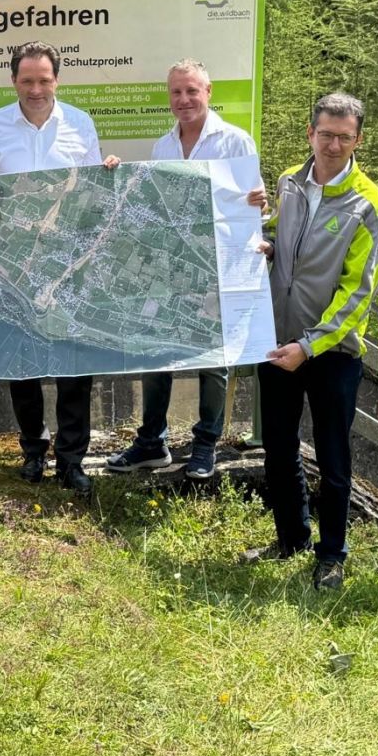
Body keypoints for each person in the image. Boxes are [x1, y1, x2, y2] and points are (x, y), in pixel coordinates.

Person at [0, 40, 118, 496]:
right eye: (26, 80)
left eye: (44, 80)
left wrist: (109, 173)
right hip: (16, 266)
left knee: (74, 366)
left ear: (56, 80)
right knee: (20, 362)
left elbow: (93, 195)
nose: (35, 89)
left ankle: (71, 460)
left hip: (68, 267)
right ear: (13, 81)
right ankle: (32, 451)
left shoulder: (80, 124)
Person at [255, 92, 378, 590]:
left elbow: (359, 293)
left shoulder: (370, 204)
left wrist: (309, 346)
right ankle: (290, 538)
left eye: (344, 137)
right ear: (310, 133)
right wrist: (264, 236)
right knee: (278, 448)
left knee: (334, 458)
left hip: (332, 353)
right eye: (326, 134)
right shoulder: (289, 182)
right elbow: (280, 238)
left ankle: (331, 554)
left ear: (358, 140)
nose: (334, 145)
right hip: (277, 340)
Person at [106, 58, 265, 481]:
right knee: (156, 352)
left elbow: (253, 202)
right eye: (176, 92)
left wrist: (260, 202)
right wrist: (120, 177)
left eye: (192, 90)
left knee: (214, 361)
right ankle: (151, 443)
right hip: (172, 266)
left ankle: (205, 445)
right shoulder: (163, 147)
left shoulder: (235, 142)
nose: (184, 99)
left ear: (208, 92)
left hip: (218, 266)